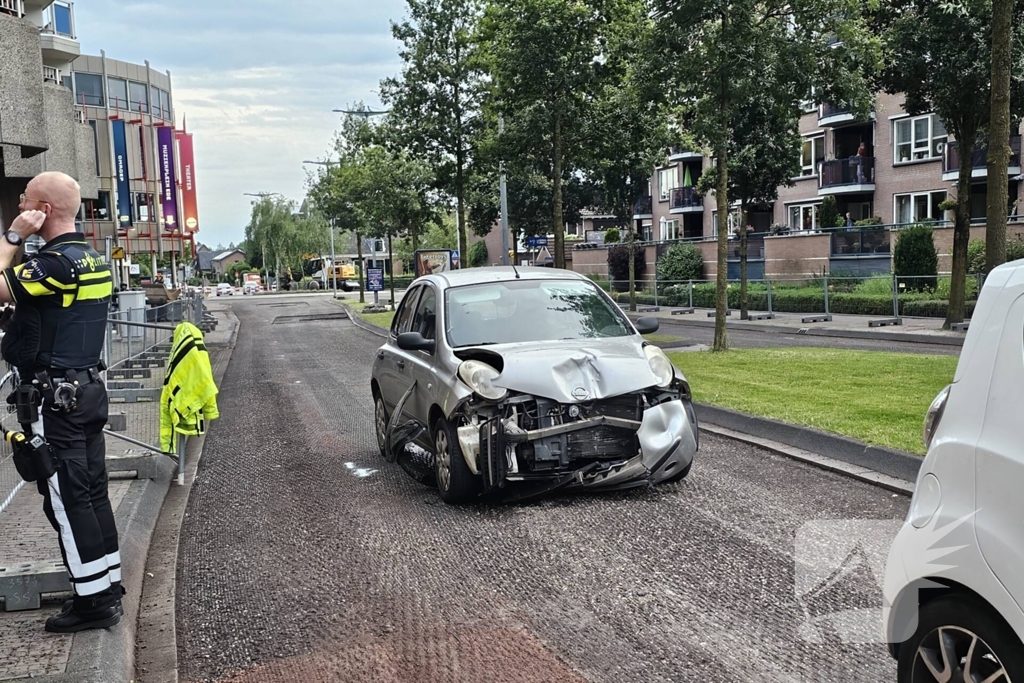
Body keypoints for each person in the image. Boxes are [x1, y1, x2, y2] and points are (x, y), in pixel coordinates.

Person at [0, 172, 120, 633]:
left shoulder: (53, 265)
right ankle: (106, 586)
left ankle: (92, 603)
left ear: (43, 210)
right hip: (86, 391)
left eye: (25, 199)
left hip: (56, 401)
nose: (18, 202)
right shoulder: (91, 259)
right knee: (91, 494)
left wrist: (14, 235)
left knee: (68, 500)